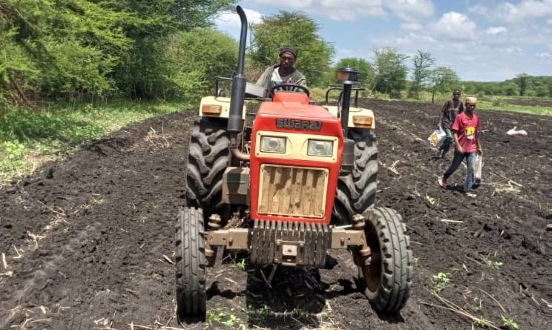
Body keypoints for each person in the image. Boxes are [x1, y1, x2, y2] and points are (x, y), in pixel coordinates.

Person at [438, 96, 483, 198]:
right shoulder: (460, 117)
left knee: (471, 168)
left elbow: (476, 134)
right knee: (454, 166)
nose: (472, 107)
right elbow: (454, 132)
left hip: (471, 148)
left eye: (474, 106)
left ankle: (467, 189)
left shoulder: (476, 118)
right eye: (470, 105)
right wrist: (457, 145)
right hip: (461, 148)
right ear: (466, 105)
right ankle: (444, 177)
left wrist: (479, 146)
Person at [435, 89, 464, 159]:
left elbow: (461, 114)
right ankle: (440, 148)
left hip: (454, 123)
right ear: (453, 95)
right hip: (446, 121)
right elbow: (442, 112)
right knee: (450, 137)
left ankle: (443, 153)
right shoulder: (449, 102)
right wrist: (439, 122)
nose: (456, 96)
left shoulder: (460, 103)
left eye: (458, 94)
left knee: (450, 141)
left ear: (460, 95)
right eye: (455, 94)